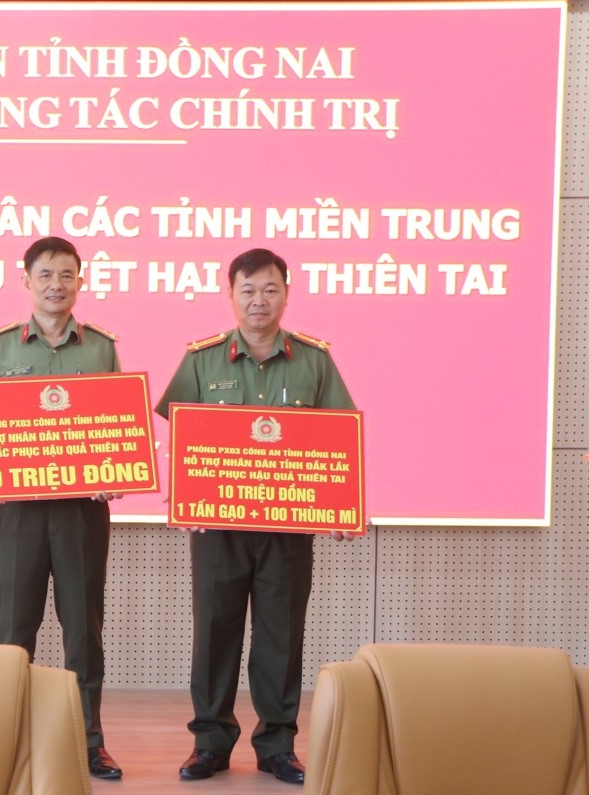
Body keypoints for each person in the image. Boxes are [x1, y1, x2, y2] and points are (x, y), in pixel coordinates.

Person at [154, 248, 356, 785]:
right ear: (231, 295)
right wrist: (184, 494)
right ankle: (210, 743)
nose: (259, 300)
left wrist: (342, 505)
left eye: (270, 289)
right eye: (248, 290)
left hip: (287, 529)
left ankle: (277, 745)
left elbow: (339, 438)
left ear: (286, 293)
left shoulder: (315, 360)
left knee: (280, 636)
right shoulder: (202, 359)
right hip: (218, 527)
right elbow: (182, 434)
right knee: (214, 633)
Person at [0, 236, 123, 781]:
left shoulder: (102, 348)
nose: (56, 285)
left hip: (81, 510)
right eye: (45, 275)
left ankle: (88, 740)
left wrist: (115, 470)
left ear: (80, 281)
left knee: (83, 628)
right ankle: (11, 740)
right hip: (19, 510)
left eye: (66, 275)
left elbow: (116, 424)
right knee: (15, 629)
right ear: (27, 281)